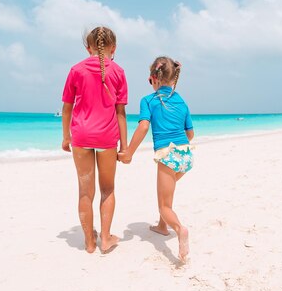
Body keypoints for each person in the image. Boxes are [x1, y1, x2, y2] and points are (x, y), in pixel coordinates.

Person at [118, 56, 194, 262]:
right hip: (186, 157)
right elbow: (190, 133)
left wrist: (129, 153)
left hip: (167, 155)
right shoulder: (181, 101)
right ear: (174, 79)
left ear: (154, 78)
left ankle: (179, 229)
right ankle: (162, 226)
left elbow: (143, 126)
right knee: (166, 194)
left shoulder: (148, 101)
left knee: (164, 205)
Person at [61, 26, 128, 254]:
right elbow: (121, 112)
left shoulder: (76, 70)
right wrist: (125, 146)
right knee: (107, 190)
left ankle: (89, 242)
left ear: (87, 47)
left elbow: (67, 108)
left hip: (80, 136)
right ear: (114, 48)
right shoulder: (118, 71)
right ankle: (106, 238)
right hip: (107, 137)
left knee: (85, 192)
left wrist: (65, 137)